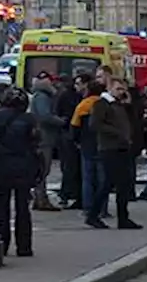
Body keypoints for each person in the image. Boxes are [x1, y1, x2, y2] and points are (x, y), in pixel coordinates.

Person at [0, 88, 42, 257]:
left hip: (1, 164)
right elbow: (36, 143)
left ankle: (2, 243)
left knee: (2, 206)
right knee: (23, 206)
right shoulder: (29, 120)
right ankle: (24, 246)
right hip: (23, 165)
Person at [87, 78, 141, 230]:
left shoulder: (119, 105)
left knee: (122, 184)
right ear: (109, 88)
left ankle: (122, 218)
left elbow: (131, 121)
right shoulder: (102, 104)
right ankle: (93, 214)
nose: (122, 92)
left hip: (122, 147)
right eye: (118, 89)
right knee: (109, 183)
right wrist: (117, 133)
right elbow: (95, 124)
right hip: (109, 148)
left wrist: (129, 105)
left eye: (123, 89)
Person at [28, 72, 64, 211]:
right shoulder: (43, 97)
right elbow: (45, 116)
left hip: (42, 136)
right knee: (43, 169)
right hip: (44, 137)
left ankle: (40, 198)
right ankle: (41, 199)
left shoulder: (39, 95)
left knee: (42, 169)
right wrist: (61, 121)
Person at [71, 79, 107, 218]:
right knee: (103, 178)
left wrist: (77, 141)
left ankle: (88, 208)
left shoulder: (82, 106)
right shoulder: (105, 104)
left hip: (87, 145)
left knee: (87, 178)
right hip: (103, 145)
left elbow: (74, 126)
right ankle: (102, 209)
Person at [56, 73, 89, 208]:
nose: (77, 86)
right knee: (70, 166)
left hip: (76, 135)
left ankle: (74, 195)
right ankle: (67, 194)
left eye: (79, 83)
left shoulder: (82, 97)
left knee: (75, 167)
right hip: (69, 134)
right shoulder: (68, 96)